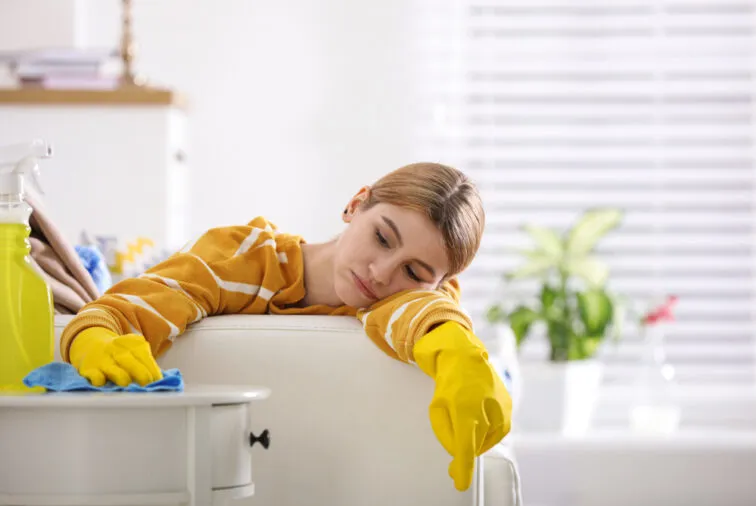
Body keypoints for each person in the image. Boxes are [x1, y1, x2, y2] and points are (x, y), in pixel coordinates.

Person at [60, 162, 512, 491]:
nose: (380, 274)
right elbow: (124, 310)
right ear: (356, 204)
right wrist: (93, 337)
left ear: (440, 283)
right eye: (381, 237)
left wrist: (457, 349)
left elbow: (426, 317)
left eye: (413, 272)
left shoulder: (408, 307)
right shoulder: (245, 257)